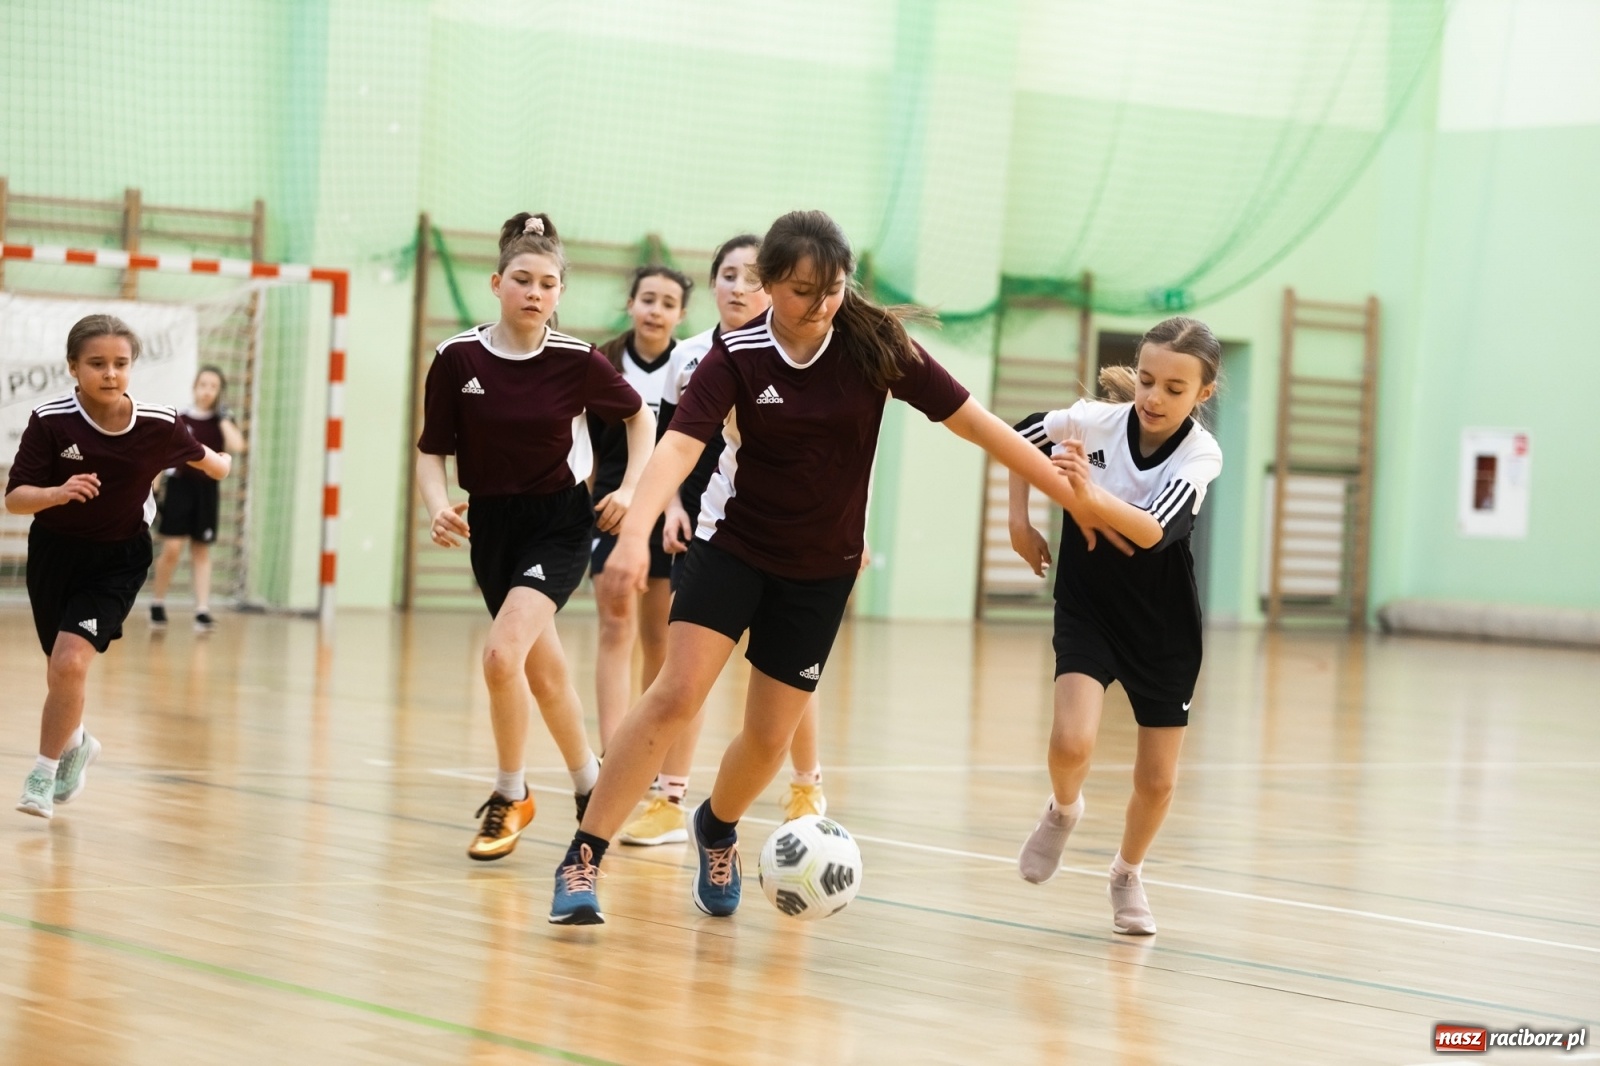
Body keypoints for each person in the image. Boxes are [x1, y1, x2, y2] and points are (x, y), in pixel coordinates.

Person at [548, 209, 1111, 925]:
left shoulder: (874, 346)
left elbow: (975, 422)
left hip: (821, 569)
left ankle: (717, 827)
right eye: (803, 292)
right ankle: (584, 856)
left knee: (769, 739)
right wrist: (635, 536)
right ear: (769, 284)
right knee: (675, 695)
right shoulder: (736, 355)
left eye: (834, 289)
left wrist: (1062, 496)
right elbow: (681, 446)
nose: (821, 306)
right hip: (733, 548)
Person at [415, 211, 654, 861]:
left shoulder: (577, 361)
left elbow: (640, 418)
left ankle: (511, 792)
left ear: (560, 294)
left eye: (548, 284)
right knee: (545, 673)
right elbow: (431, 450)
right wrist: (436, 506)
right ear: (497, 283)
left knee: (502, 656)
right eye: (522, 279)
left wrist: (630, 490)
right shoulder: (456, 358)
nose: (535, 293)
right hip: (492, 527)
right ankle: (590, 784)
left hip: (558, 523)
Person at [1009, 316, 1223, 935]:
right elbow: (1015, 439)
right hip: (1089, 604)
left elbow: (1152, 530)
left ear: (1203, 393)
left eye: (1174, 389)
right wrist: (1020, 520)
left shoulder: (1200, 454)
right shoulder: (1091, 422)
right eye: (1147, 380)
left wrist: (1082, 494)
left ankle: (1127, 874)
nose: (1154, 398)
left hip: (1162, 624)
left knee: (1156, 783)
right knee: (1070, 743)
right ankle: (1063, 809)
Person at [618, 234, 830, 848]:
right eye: (728, 275)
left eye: (753, 278)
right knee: (686, 673)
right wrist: (670, 509)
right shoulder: (687, 358)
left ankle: (807, 784)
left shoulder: (801, 356)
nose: (739, 288)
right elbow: (673, 443)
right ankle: (669, 799)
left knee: (786, 670)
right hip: (707, 530)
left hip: (786, 536)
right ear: (711, 284)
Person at [6, 314, 231, 818]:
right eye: (97, 363)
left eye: (121, 363)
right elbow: (16, 499)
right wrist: (57, 493)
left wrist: (223, 463)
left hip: (118, 558)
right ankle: (77, 742)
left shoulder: (158, 423)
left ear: (132, 367)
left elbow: (209, 461)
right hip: (55, 553)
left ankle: (42, 775)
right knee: (60, 671)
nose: (110, 373)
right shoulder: (51, 421)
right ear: (73, 367)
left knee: (70, 662)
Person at [589, 265, 693, 750]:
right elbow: (585, 448)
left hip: (670, 513)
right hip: (612, 510)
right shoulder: (602, 363)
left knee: (659, 636)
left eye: (668, 303)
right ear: (630, 304)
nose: (656, 311)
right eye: (648, 299)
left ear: (681, 315)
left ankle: (646, 749)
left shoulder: (691, 365)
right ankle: (613, 751)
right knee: (615, 626)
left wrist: (676, 506)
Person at [149, 365, 245, 632]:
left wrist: (224, 418)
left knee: (201, 549)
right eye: (203, 385)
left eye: (214, 386)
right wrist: (154, 490)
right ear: (195, 387)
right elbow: (161, 456)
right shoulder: (181, 419)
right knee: (172, 548)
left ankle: (202, 610)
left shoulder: (222, 421)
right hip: (180, 488)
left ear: (220, 391)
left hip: (207, 490)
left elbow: (237, 445)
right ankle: (157, 603)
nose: (207, 391)